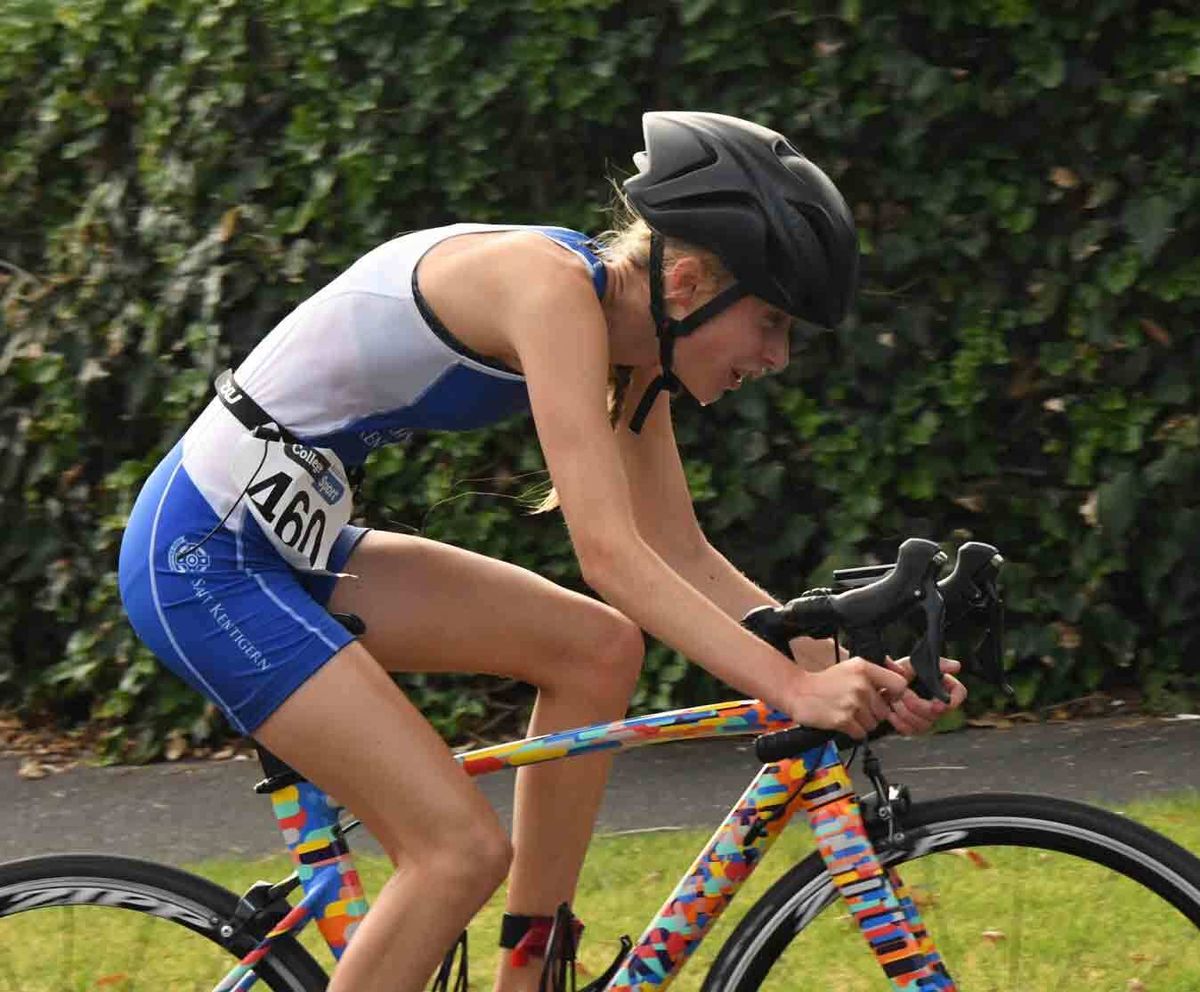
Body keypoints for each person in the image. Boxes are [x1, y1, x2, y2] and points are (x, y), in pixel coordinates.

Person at [118, 111, 967, 992]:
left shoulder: (631, 347)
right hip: (203, 561)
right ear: (685, 284)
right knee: (455, 851)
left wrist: (844, 671)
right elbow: (609, 555)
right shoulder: (549, 289)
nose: (779, 356)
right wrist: (791, 690)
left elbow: (678, 551)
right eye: (771, 321)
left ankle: (530, 976)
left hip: (289, 552)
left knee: (597, 649)